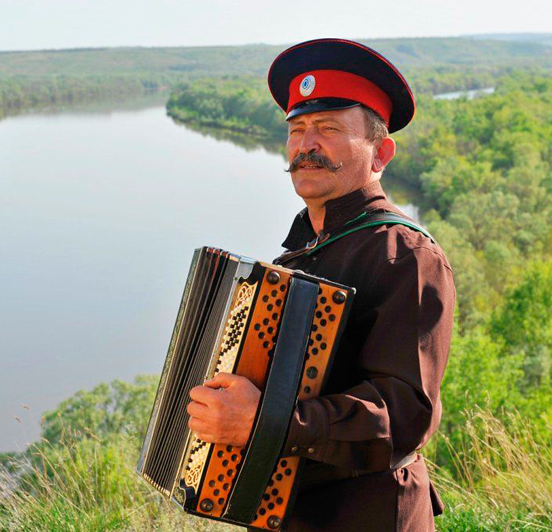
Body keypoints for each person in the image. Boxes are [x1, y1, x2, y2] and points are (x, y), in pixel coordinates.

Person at [186, 38, 456, 531]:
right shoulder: (299, 253)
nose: (306, 145)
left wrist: (266, 422)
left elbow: (403, 418)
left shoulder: (406, 254)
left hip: (368, 517)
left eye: (328, 128)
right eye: (297, 129)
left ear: (381, 153)